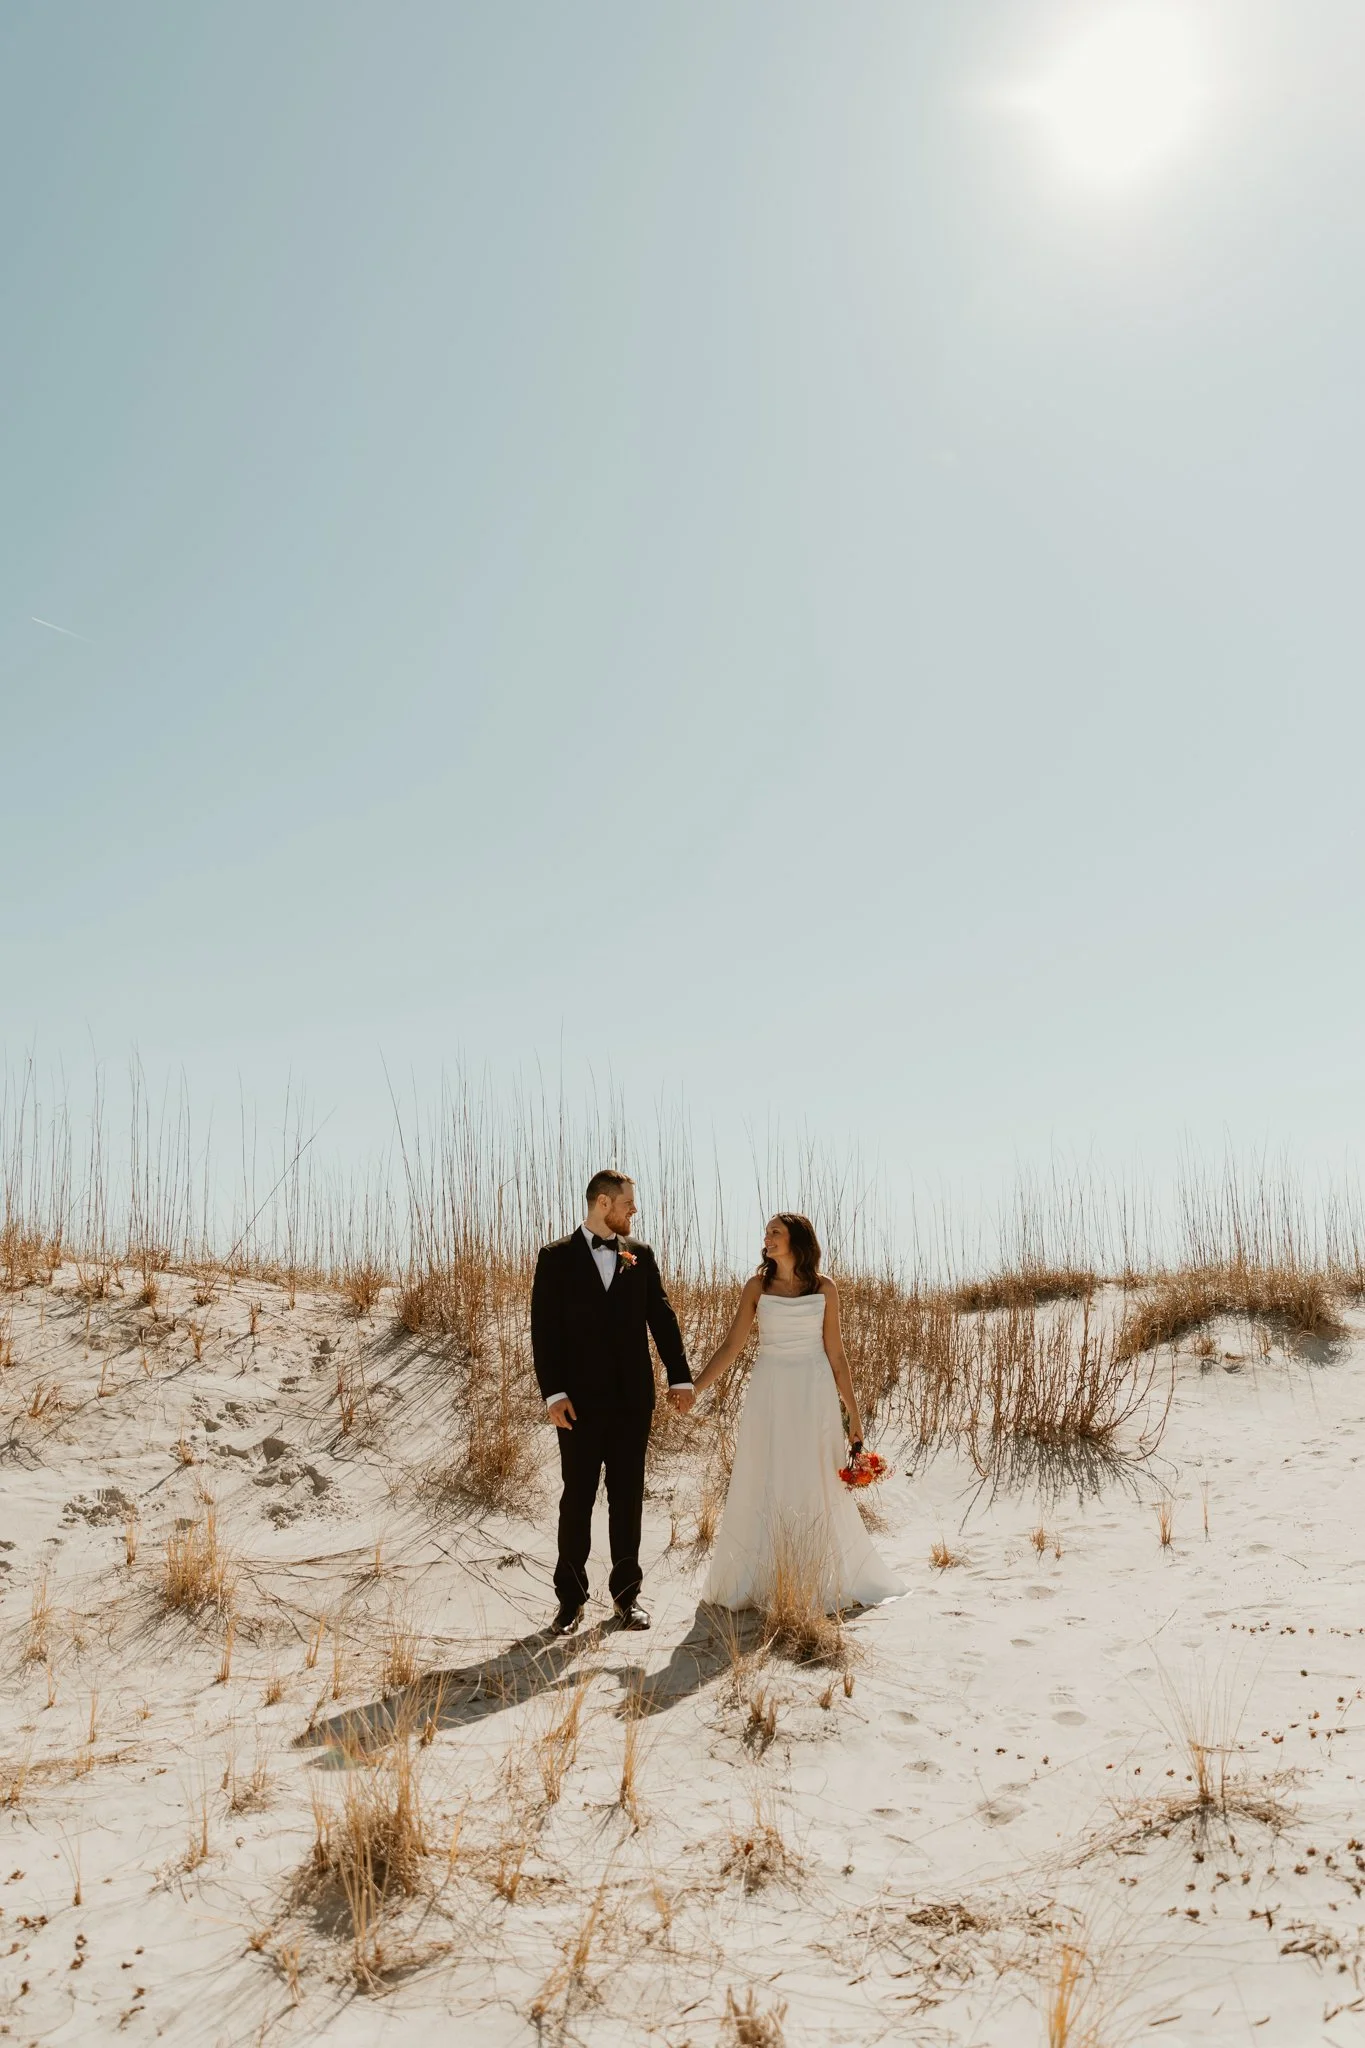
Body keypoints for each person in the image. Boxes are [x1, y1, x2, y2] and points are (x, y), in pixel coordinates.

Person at [691, 1212, 905, 1612]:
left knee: (813, 1475)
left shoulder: (825, 1288)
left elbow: (837, 1354)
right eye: (767, 1231)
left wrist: (854, 1415)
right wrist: (695, 1388)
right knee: (766, 1471)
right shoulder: (757, 1286)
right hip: (770, 1388)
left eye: (776, 1232)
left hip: (813, 1388)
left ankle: (815, 1575)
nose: (767, 1237)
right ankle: (763, 1576)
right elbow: (732, 1345)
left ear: (796, 1240)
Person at [531, 1170, 694, 1634]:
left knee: (628, 1500)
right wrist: (554, 1393)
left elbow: (661, 1318)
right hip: (576, 1405)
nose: (634, 1212)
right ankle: (570, 1601)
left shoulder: (639, 1256)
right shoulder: (555, 1258)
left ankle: (627, 1599)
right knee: (576, 1500)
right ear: (604, 1203)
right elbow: (544, 1330)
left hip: (631, 1403)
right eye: (628, 1204)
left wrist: (679, 1376)